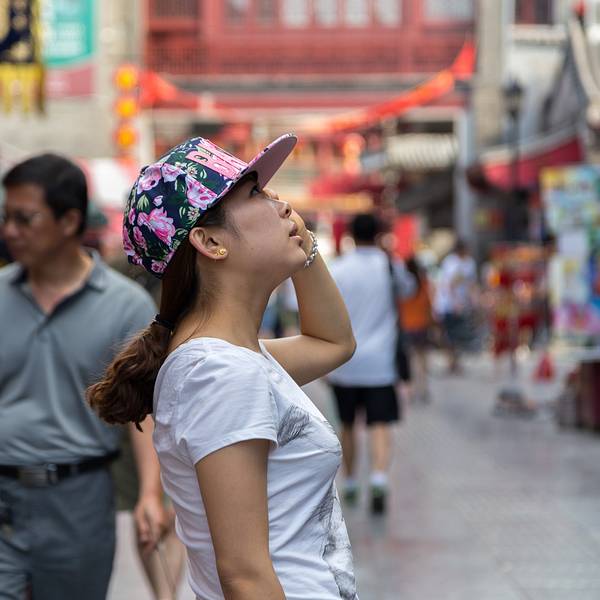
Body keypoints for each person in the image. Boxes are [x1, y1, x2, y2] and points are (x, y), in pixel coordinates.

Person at [88, 134, 359, 600]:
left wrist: (303, 244)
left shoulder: (232, 359)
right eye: (255, 193)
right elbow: (244, 575)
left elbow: (332, 343)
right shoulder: (219, 373)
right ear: (210, 241)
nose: (280, 202)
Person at [0, 154, 168, 600]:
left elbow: (145, 410)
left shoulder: (126, 306)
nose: (10, 231)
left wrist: (150, 494)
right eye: (6, 217)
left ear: (70, 220)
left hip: (81, 502)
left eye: (24, 219)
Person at [328, 213, 415, 514]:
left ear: (350, 235)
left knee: (347, 424)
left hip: (345, 363)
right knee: (380, 424)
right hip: (381, 363)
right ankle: (378, 478)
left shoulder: (338, 268)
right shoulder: (389, 266)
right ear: (378, 234)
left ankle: (351, 481)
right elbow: (409, 290)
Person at [434, 240, 478, 374]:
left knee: (459, 334)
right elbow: (450, 285)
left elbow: (471, 284)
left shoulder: (469, 263)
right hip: (448, 305)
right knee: (449, 334)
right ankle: (451, 361)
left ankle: (455, 361)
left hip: (461, 304)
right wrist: (456, 302)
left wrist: (474, 299)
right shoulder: (451, 262)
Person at [400, 256, 434, 403]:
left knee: (411, 360)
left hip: (407, 326)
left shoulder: (403, 285)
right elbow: (428, 304)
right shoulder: (423, 283)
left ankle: (411, 391)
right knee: (423, 359)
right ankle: (424, 389)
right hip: (422, 325)